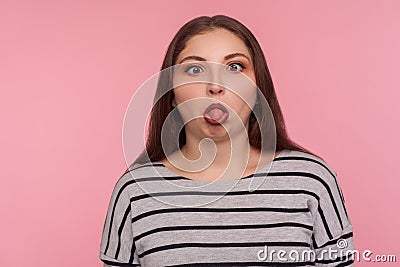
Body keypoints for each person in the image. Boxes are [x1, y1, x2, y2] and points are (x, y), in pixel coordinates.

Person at [99, 15, 355, 266]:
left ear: (258, 90)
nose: (215, 86)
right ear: (172, 93)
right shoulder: (135, 190)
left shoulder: (311, 180)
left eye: (234, 67)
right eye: (195, 69)